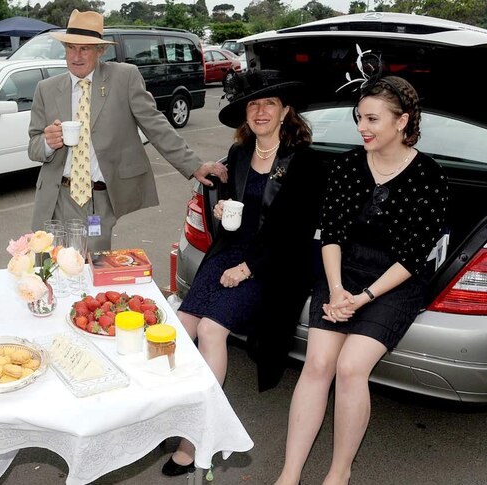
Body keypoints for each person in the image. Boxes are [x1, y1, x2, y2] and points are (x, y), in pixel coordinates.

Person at [274, 76, 449, 485]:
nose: (362, 127)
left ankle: (339, 472)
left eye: (372, 119)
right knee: (317, 363)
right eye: (359, 118)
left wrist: (364, 297)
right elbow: (331, 234)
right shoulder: (348, 166)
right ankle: (290, 472)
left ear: (402, 121)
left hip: (395, 281)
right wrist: (336, 290)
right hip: (343, 271)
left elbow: (412, 256)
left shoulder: (429, 176)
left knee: (351, 367)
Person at [163, 70, 326, 476]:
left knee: (213, 330)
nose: (260, 111)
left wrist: (248, 268)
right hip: (229, 253)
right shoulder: (237, 155)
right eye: (253, 105)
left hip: (273, 266)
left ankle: (195, 437)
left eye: (269, 103)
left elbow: (295, 234)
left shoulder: (306, 163)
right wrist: (223, 211)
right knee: (182, 324)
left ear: (286, 111)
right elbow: (240, 208)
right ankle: (167, 413)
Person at [27, 9, 226, 252]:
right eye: (71, 47)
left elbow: (156, 125)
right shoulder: (46, 89)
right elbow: (34, 147)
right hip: (55, 198)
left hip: (96, 200)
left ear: (100, 51)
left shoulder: (124, 77)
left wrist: (194, 165)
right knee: (47, 263)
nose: (76, 56)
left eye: (85, 49)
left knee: (94, 263)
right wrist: (48, 142)